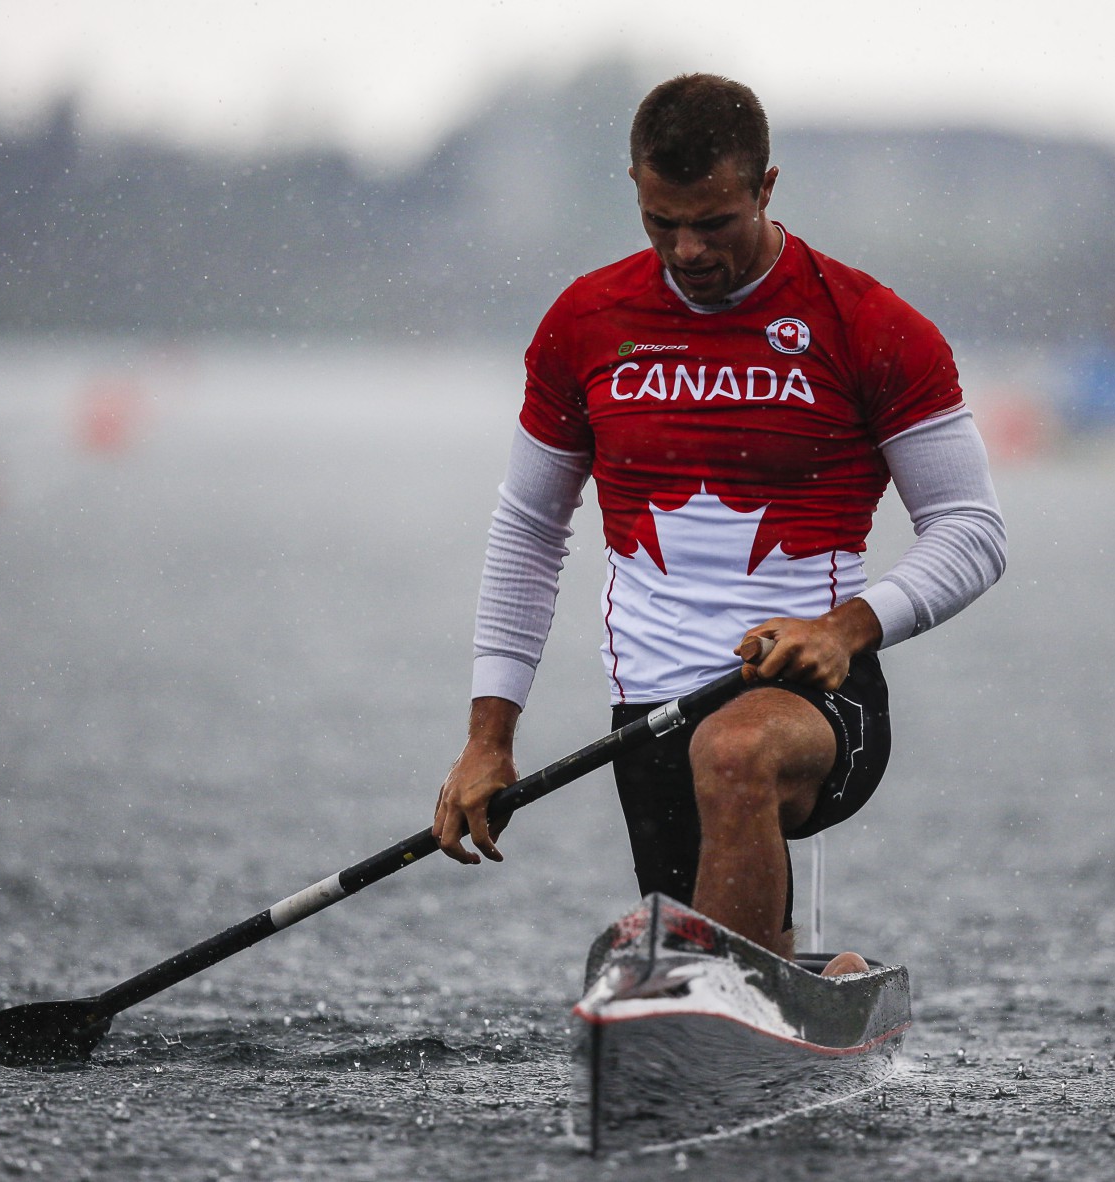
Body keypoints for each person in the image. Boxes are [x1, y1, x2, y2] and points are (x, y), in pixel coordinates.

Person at [431, 74, 1006, 965]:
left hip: (814, 698)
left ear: (767, 188)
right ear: (634, 187)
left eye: (715, 223)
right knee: (714, 962)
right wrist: (486, 741)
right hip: (647, 711)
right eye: (662, 224)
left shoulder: (868, 325)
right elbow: (527, 534)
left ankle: (723, 1003)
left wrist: (845, 629)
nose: (688, 251)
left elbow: (973, 530)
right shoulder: (585, 323)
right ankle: (804, 979)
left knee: (734, 753)